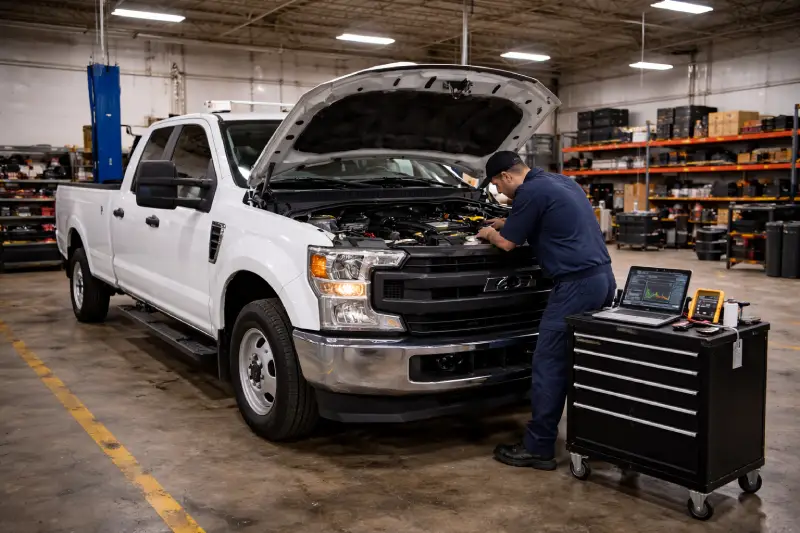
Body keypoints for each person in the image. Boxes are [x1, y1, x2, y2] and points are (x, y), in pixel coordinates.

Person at [476, 151, 616, 471]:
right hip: (602, 279)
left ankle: (538, 447)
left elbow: (507, 244)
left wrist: (488, 233)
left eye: (498, 184)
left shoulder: (529, 191)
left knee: (549, 363)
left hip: (575, 287)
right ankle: (599, 440)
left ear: (507, 176)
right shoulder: (559, 181)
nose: (500, 191)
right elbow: (538, 218)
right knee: (588, 361)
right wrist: (507, 221)